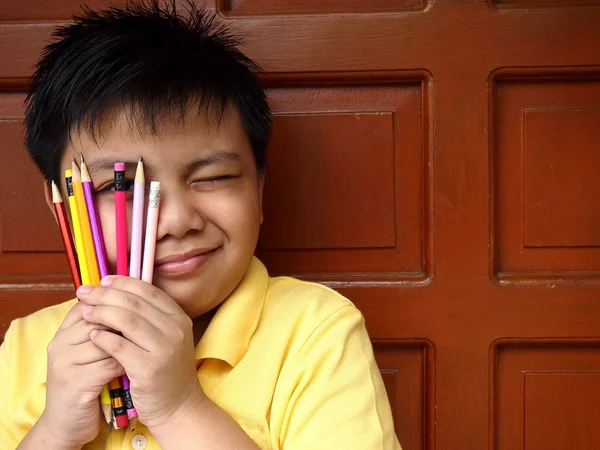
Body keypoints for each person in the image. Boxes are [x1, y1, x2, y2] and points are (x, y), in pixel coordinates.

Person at [0, 1, 401, 449]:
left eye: (213, 177)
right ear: (64, 207)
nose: (175, 221)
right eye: (122, 187)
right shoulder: (27, 346)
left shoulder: (315, 331)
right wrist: (54, 430)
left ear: (260, 189)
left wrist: (179, 407)